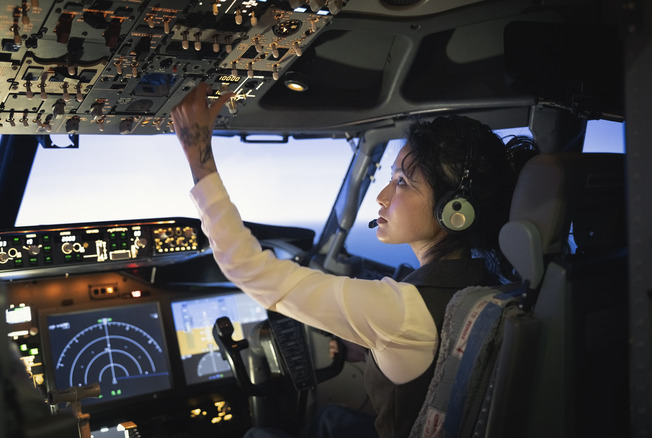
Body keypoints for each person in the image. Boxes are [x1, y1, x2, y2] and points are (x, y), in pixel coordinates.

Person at [170, 83, 538, 438]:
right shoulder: (488, 287)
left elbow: (247, 268)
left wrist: (198, 155)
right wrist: (370, 350)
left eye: (403, 183)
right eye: (390, 178)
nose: (381, 195)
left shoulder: (401, 311)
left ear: (454, 211)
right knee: (329, 419)